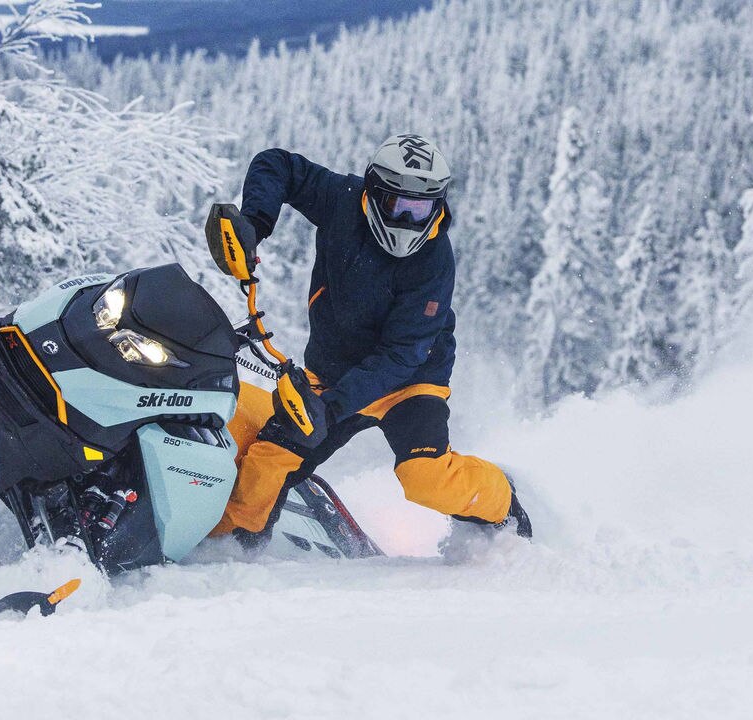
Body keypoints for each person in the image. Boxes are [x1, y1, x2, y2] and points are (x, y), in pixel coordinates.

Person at [210, 134, 531, 550]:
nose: (411, 220)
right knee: (271, 458)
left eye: (423, 208)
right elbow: (278, 164)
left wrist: (332, 406)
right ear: (374, 192)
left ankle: (502, 500)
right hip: (331, 372)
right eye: (401, 205)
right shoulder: (340, 200)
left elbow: (403, 354)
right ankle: (231, 548)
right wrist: (256, 222)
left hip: (411, 382)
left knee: (425, 478)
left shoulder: (434, 261)